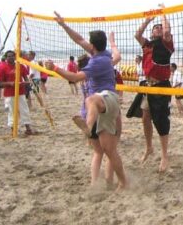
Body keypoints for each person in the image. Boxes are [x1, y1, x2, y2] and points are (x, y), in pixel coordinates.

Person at [48, 11, 127, 190]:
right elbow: (79, 40)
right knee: (108, 150)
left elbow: (75, 77)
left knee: (91, 102)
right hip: (105, 105)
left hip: (102, 103)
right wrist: (64, 25)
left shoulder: (96, 62)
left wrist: (55, 68)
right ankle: (106, 182)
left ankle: (88, 127)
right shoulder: (105, 56)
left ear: (92, 46)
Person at [133, 5, 174, 172]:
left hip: (162, 87)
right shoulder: (147, 45)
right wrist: (147, 20)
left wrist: (162, 13)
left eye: (160, 27)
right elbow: (137, 35)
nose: (158, 29)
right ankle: (149, 148)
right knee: (145, 118)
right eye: (155, 28)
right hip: (148, 86)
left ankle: (164, 156)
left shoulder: (166, 43)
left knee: (161, 122)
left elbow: (167, 30)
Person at [0, 50, 36, 135]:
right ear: (6, 57)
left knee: (24, 110)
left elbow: (26, 78)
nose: (11, 57)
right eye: (9, 56)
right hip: (9, 93)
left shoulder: (20, 66)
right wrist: (10, 83)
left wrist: (26, 83)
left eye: (12, 56)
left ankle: (28, 129)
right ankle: (13, 129)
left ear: (15, 57)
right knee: (11, 111)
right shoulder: (2, 67)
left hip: (20, 92)